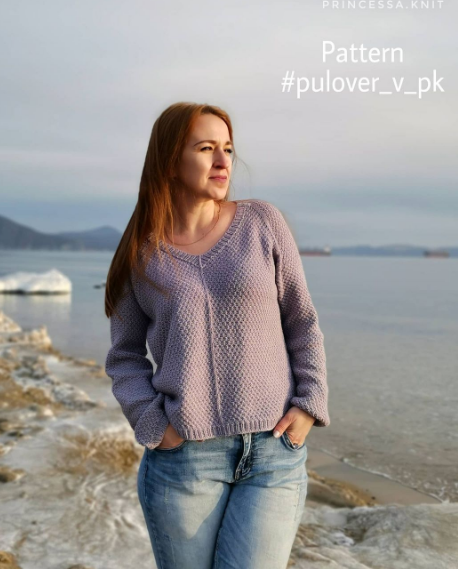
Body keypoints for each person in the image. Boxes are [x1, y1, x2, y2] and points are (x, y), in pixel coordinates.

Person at [104, 102, 330, 569]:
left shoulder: (262, 222)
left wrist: (309, 404)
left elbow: (302, 321)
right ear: (170, 160)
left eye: (227, 148)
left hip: (273, 454)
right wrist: (154, 423)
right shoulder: (141, 254)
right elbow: (124, 356)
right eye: (206, 148)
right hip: (185, 461)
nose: (224, 161)